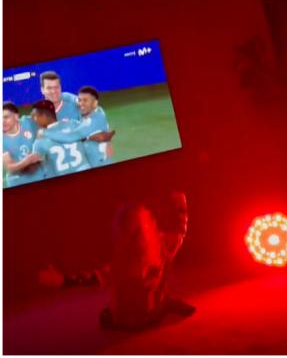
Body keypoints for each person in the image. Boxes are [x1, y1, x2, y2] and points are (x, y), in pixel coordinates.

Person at [38, 191, 195, 330]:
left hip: (126, 321)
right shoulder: (161, 245)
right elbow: (180, 231)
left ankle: (164, 303)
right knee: (118, 310)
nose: (154, 222)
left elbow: (93, 277)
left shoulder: (129, 260)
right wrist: (181, 206)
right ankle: (164, 303)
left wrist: (61, 280)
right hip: (142, 318)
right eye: (151, 220)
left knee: (106, 315)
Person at [43, 86, 114, 167]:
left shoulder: (91, 121)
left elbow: (69, 137)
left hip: (99, 163)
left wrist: (45, 133)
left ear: (95, 103)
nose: (81, 104)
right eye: (80, 100)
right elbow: (70, 97)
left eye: (85, 100)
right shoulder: (99, 111)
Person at [31, 100, 91, 177]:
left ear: (44, 116)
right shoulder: (73, 124)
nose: (33, 119)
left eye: (35, 116)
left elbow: (34, 169)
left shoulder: (40, 141)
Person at [2, 101, 46, 187]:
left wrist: (40, 138)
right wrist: (28, 160)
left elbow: (46, 123)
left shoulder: (28, 122)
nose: (2, 122)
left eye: (6, 117)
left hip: (41, 177)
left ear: (16, 116)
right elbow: (10, 168)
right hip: (17, 183)